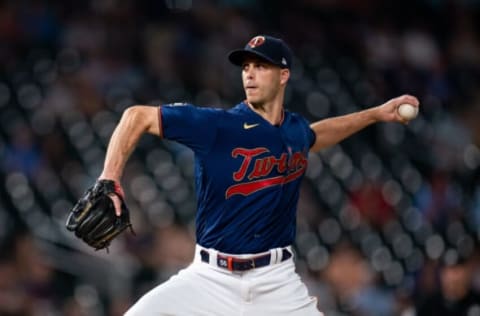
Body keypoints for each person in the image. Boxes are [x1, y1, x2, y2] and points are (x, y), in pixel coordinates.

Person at [99, 35, 419, 315]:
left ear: (284, 75)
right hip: (210, 278)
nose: (249, 74)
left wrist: (376, 114)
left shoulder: (294, 130)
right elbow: (135, 116)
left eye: (260, 66)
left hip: (276, 281)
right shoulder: (217, 126)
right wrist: (109, 179)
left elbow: (316, 136)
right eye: (246, 67)